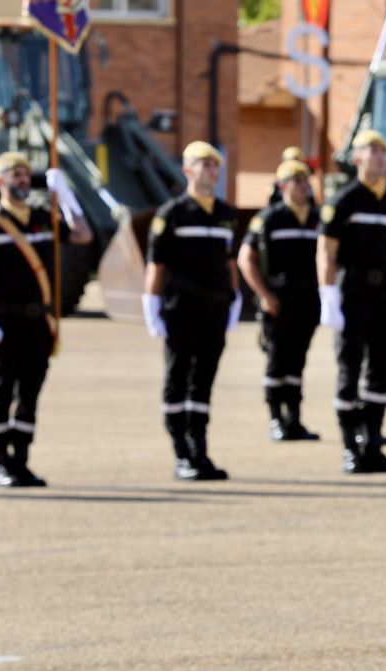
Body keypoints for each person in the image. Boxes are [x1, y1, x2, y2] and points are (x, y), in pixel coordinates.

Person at [0, 150, 92, 487]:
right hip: (5, 323)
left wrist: (65, 197)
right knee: (2, 391)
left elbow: (82, 234)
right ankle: (1, 461)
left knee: (31, 391)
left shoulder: (43, 217)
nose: (22, 180)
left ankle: (21, 459)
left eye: (25, 175)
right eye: (14, 174)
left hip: (38, 323)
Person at [143, 141, 240, 481]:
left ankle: (199, 449)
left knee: (204, 380)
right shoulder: (173, 213)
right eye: (203, 164)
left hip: (214, 308)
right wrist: (151, 305)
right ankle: (181, 451)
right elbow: (157, 264)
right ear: (187, 170)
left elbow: (230, 261)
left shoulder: (227, 214)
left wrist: (235, 296)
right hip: (181, 308)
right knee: (178, 377)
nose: (211, 170)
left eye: (215, 165)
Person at [320, 129, 386, 473]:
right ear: (357, 157)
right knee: (350, 368)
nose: (379, 156)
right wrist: (327, 294)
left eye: (383, 150)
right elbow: (326, 252)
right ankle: (350, 447)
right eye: (371, 150)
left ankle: (372, 443)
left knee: (381, 370)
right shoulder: (343, 202)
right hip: (353, 293)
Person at [239, 158, 324, 443]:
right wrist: (264, 295)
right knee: (278, 360)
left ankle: (295, 419)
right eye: (297, 181)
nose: (303, 186)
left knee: (298, 360)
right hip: (279, 300)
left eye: (305, 181)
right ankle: (276, 419)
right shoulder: (269, 218)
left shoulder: (317, 217)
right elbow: (245, 259)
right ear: (283, 186)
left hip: (308, 300)